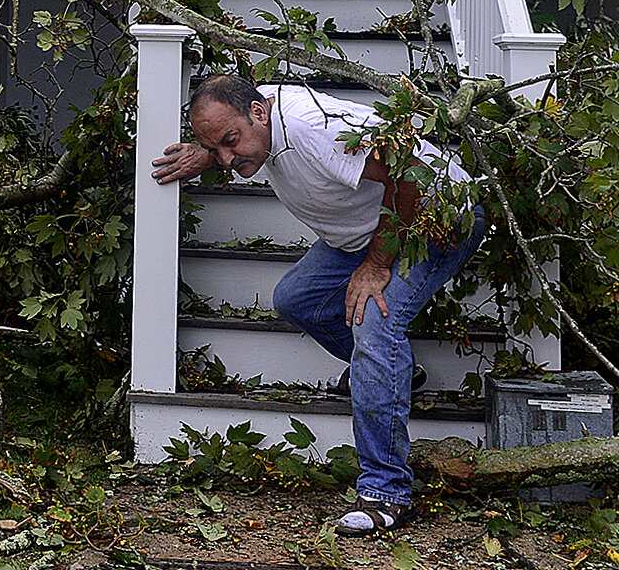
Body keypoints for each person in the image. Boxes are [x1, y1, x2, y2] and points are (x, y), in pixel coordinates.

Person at [152, 72, 486, 537]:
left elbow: (412, 174)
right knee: (296, 299)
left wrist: (376, 264)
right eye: (217, 147)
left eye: (230, 143)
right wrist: (208, 154)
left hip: (435, 212)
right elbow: (238, 140)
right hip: (364, 228)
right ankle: (393, 375)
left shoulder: (315, 130)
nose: (227, 160)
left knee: (373, 323)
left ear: (258, 113)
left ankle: (387, 493)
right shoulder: (256, 118)